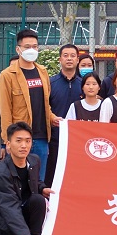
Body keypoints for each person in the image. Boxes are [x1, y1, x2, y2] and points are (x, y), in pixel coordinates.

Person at [0, 29, 58, 183]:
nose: (32, 50)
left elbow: (45, 103)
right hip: (19, 139)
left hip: (41, 138)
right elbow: (5, 110)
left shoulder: (42, 72)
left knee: (38, 182)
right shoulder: (7, 75)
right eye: (27, 46)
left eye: (35, 46)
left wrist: (52, 118)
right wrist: (7, 141)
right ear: (18, 49)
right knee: (19, 183)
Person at [48, 44, 81, 185]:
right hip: (54, 138)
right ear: (60, 59)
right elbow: (44, 107)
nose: (69, 59)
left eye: (73, 56)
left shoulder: (84, 85)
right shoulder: (50, 83)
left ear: (77, 60)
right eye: (65, 55)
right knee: (52, 176)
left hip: (78, 140)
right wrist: (52, 118)